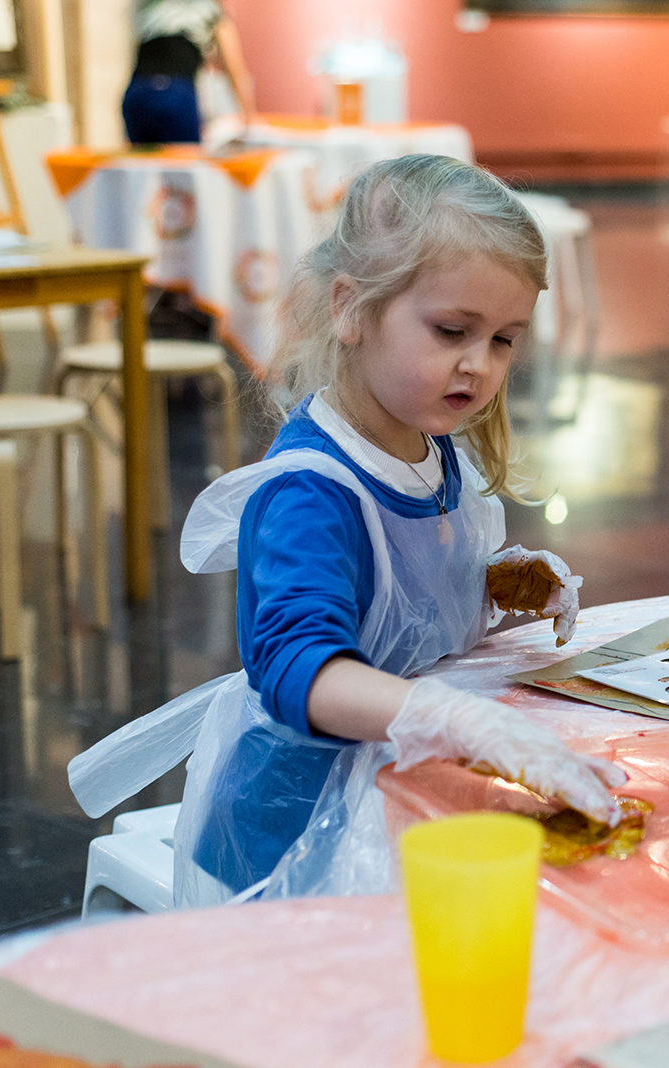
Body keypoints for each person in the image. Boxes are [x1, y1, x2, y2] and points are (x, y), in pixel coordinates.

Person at [69, 154, 625, 905]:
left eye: (503, 340)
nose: (480, 366)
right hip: (296, 834)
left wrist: (491, 582)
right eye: (453, 329)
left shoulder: (428, 443)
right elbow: (305, 670)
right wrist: (451, 715)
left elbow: (397, 597)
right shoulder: (311, 491)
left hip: (390, 789)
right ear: (351, 308)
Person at [121, 0, 254, 144]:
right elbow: (235, 69)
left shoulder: (150, 6)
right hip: (176, 94)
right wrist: (250, 122)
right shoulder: (211, 10)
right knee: (185, 163)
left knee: (143, 163)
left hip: (136, 94)